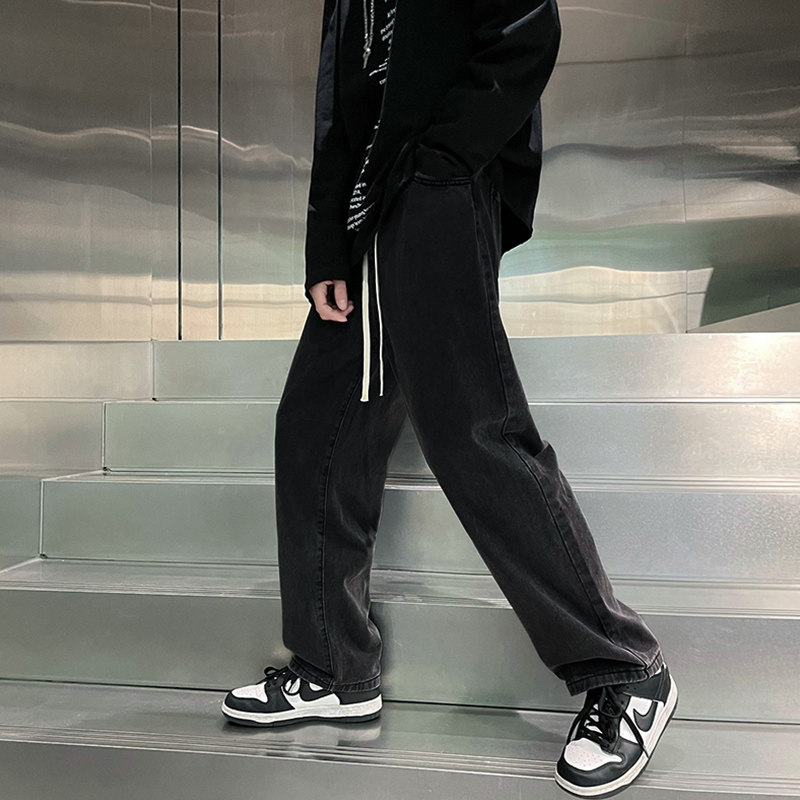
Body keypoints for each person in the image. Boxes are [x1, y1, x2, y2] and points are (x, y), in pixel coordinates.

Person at [221, 0, 679, 794]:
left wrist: (444, 163)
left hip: (437, 189)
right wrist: (326, 246)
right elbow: (341, 103)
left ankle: (625, 670)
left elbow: (526, 29)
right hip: (367, 214)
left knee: (471, 426)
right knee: (315, 425)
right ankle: (333, 665)